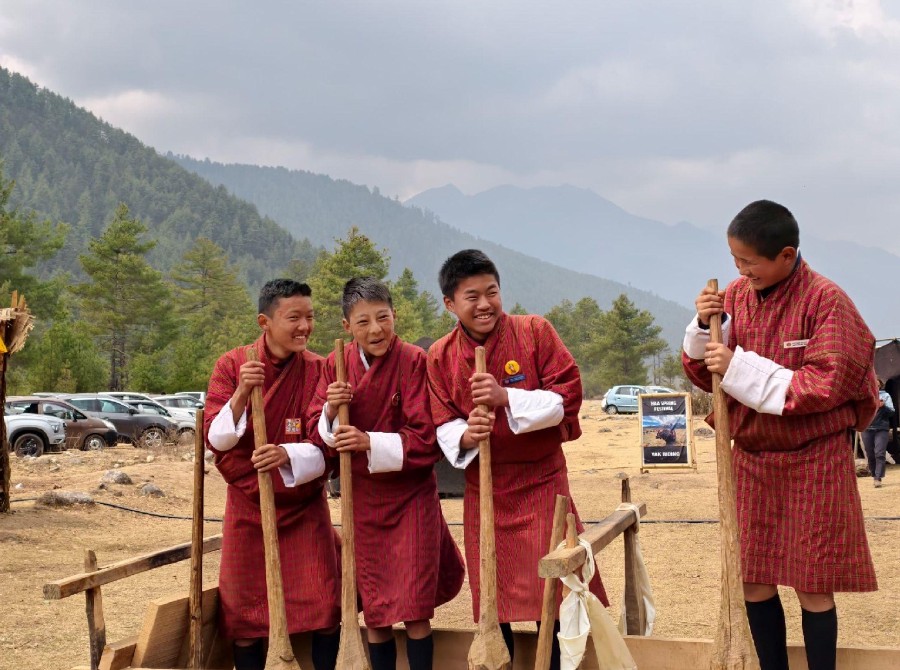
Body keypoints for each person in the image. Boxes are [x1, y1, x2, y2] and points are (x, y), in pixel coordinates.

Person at [682, 200, 879, 670]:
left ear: (786, 255)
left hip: (814, 459)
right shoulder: (733, 295)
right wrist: (703, 329)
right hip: (752, 457)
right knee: (754, 578)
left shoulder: (827, 300)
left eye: (750, 262)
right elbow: (704, 372)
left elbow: (826, 382)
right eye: (735, 260)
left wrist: (738, 366)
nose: (741, 271)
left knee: (813, 582)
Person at [425, 249, 606, 668]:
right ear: (450, 304)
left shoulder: (535, 332)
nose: (485, 303)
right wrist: (466, 434)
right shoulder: (439, 355)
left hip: (543, 483)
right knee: (493, 592)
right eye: (472, 296)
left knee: (555, 590)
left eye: (492, 292)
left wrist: (507, 397)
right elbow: (439, 420)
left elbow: (568, 396)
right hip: (485, 489)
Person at [306, 278, 465, 670]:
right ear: (347, 326)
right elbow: (316, 431)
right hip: (363, 502)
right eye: (363, 322)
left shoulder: (413, 360)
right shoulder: (334, 365)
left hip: (411, 499)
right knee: (375, 609)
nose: (376, 329)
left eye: (383, 317)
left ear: (394, 315)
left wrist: (368, 442)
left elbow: (425, 436)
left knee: (414, 607)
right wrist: (330, 410)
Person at [204, 279, 340, 670]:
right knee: (245, 614)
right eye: (293, 317)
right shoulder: (232, 365)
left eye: (310, 317)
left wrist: (285, 453)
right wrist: (242, 394)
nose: (304, 327)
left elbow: (324, 442)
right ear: (265, 320)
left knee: (324, 606)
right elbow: (217, 439)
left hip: (303, 506)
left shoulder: (319, 369)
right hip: (249, 506)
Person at [862, 378, 895, 488]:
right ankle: (873, 474)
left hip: (881, 428)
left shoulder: (885, 396)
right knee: (870, 454)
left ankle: (878, 477)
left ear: (880, 385)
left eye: (877, 383)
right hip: (867, 428)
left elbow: (892, 412)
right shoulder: (865, 396)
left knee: (879, 453)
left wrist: (883, 406)